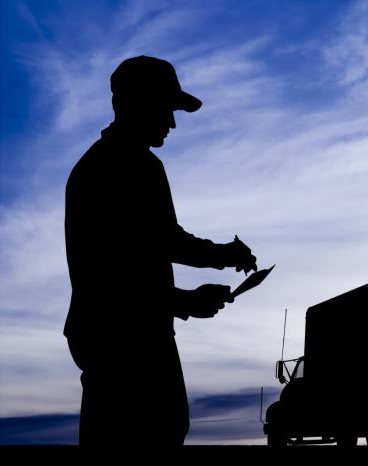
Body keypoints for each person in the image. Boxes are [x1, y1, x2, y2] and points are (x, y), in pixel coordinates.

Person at [64, 56, 257, 446]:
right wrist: (186, 298)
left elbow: (151, 246)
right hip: (125, 338)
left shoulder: (106, 165)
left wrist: (220, 258)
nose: (171, 123)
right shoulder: (129, 167)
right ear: (135, 104)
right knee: (152, 428)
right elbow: (112, 274)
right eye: (166, 109)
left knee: (140, 428)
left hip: (115, 331)